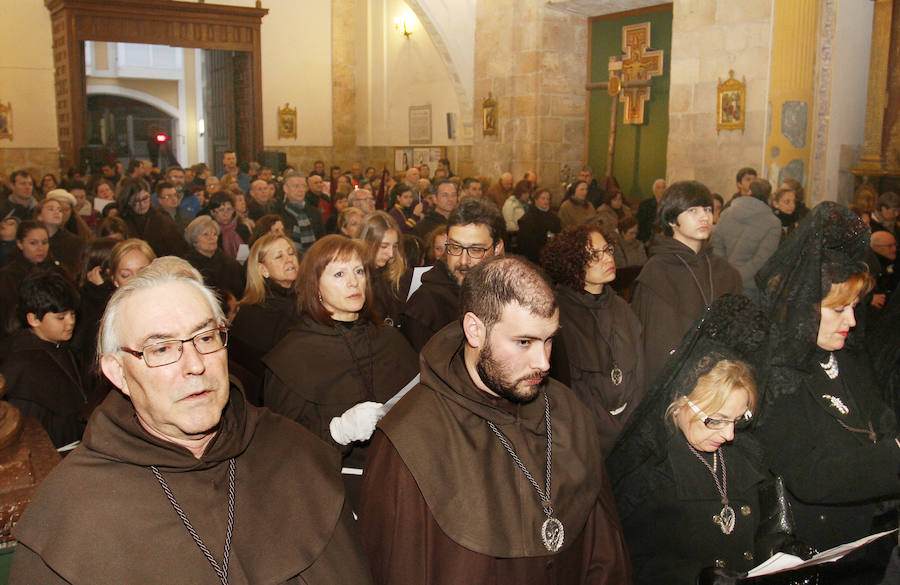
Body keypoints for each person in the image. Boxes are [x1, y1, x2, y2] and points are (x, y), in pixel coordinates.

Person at [9, 259, 373, 585]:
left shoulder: (295, 452)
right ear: (118, 373)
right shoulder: (68, 512)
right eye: (162, 348)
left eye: (206, 337)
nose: (195, 364)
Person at [359, 256, 632, 585]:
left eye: (549, 340)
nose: (543, 362)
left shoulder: (567, 410)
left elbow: (603, 550)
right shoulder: (409, 435)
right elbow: (399, 567)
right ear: (475, 330)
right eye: (524, 342)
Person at [754, 202, 900, 568]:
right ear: (803, 308)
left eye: (854, 305)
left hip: (869, 533)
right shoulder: (777, 372)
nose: (851, 319)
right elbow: (813, 476)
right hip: (816, 546)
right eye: (838, 310)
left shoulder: (845, 354)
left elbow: (877, 418)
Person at [608, 295, 790, 584]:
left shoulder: (745, 455)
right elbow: (632, 562)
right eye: (715, 419)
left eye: (738, 419)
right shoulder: (647, 475)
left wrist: (779, 549)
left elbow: (761, 533)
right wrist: (694, 579)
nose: (730, 435)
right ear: (680, 403)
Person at [263, 235, 418, 510]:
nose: (353, 282)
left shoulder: (388, 339)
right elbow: (283, 450)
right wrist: (338, 433)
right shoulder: (292, 356)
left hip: (401, 482)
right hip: (335, 494)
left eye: (359, 271)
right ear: (316, 286)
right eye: (339, 273)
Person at [543, 224, 645, 454]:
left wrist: (633, 424)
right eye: (594, 255)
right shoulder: (558, 313)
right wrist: (613, 434)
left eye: (607, 250)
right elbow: (572, 387)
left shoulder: (622, 307)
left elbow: (639, 371)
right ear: (572, 263)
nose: (607, 259)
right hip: (589, 436)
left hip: (631, 427)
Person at [631, 181, 742, 385]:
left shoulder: (727, 272)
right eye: (692, 210)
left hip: (721, 380)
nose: (704, 217)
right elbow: (657, 347)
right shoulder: (656, 271)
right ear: (672, 220)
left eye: (708, 209)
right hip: (677, 381)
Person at [402, 196, 505, 352]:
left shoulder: (507, 291)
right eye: (455, 247)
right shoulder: (426, 305)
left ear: (497, 248)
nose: (463, 261)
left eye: (475, 250)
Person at [0, 269, 86, 448]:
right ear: (34, 319)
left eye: (73, 314)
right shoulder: (22, 364)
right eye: (60, 317)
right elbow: (27, 429)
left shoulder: (58, 343)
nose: (70, 322)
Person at [229, 234, 299, 405]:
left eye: (291, 253)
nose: (289, 260)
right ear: (263, 270)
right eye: (279, 256)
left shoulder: (304, 299)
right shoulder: (253, 314)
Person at [711, 178, 781, 302]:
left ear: (749, 192)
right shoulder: (773, 223)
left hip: (723, 282)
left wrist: (726, 273)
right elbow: (761, 259)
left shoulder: (726, 213)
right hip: (750, 286)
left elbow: (717, 246)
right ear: (768, 195)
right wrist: (738, 277)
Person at [0, 221, 66, 337]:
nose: (40, 248)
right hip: (18, 337)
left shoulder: (57, 271)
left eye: (44, 242)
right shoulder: (8, 276)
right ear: (20, 244)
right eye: (33, 243)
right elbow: (8, 316)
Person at [360, 211, 410, 328]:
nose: (391, 253)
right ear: (366, 242)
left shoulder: (399, 273)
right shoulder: (356, 279)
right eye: (384, 246)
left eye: (395, 246)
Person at [117, 177, 188, 257]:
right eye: (136, 201)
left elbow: (179, 249)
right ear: (128, 201)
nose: (142, 204)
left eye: (145, 198)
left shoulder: (161, 219)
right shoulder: (121, 223)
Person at [183, 215, 245, 301]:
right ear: (194, 241)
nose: (211, 238)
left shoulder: (229, 262)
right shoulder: (188, 266)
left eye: (214, 234)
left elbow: (240, 291)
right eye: (205, 234)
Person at [35, 196, 85, 277]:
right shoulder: (31, 240)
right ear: (39, 216)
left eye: (59, 210)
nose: (56, 212)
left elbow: (75, 271)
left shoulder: (74, 242)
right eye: (51, 209)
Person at [278, 172, 325, 255]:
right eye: (296, 186)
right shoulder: (278, 214)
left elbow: (321, 240)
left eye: (303, 186)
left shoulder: (314, 213)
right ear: (285, 189)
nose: (300, 190)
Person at [516, 186, 561, 264]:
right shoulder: (528, 218)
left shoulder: (554, 217)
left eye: (548, 199)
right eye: (543, 198)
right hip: (534, 256)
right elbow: (526, 243)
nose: (546, 201)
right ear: (536, 200)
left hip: (552, 254)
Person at [207, 190, 250, 260]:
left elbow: (245, 255)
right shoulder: (211, 232)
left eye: (229, 209)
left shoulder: (242, 229)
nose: (225, 213)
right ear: (212, 212)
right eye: (221, 210)